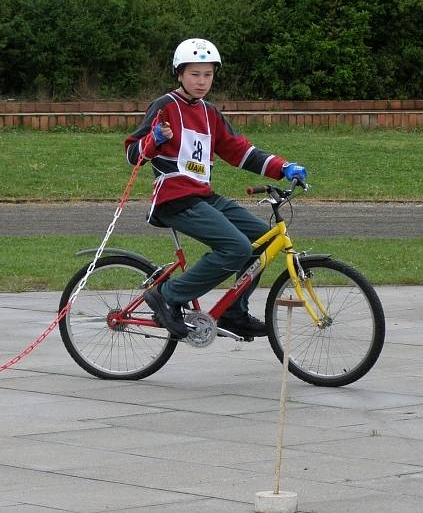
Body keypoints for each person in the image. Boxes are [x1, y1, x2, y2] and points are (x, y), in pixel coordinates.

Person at [124, 38, 307, 339]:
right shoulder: (165, 106)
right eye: (195, 74)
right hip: (174, 197)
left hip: (202, 195)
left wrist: (283, 167)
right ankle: (167, 295)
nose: (201, 81)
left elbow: (239, 151)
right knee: (235, 247)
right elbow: (133, 154)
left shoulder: (209, 112)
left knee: (262, 240)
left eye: (208, 75)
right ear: (179, 74)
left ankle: (234, 312)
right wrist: (153, 139)